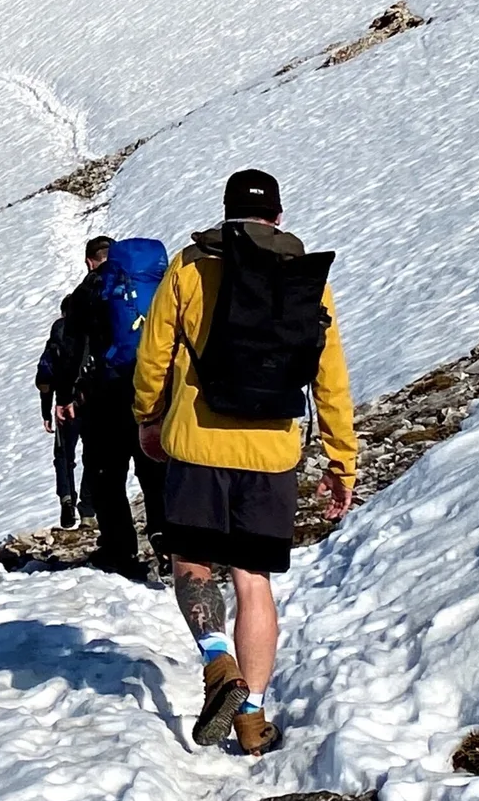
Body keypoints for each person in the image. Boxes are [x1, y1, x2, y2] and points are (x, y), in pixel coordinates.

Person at [132, 165, 355, 756]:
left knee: (194, 561)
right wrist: (341, 460)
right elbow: (329, 377)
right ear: (278, 217)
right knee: (253, 580)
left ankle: (216, 664)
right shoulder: (304, 279)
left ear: (225, 212)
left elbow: (153, 356)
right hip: (272, 450)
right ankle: (253, 716)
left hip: (198, 445)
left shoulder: (188, 265)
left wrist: (148, 418)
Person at [49, 232, 170, 578]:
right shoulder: (157, 285)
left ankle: (119, 551)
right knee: (155, 471)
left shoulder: (87, 292)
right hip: (154, 391)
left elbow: (69, 349)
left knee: (107, 476)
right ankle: (166, 540)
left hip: (105, 398)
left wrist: (64, 396)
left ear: (90, 260)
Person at [36, 242, 105, 525]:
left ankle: (66, 496)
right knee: (93, 453)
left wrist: (47, 409)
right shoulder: (94, 324)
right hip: (92, 398)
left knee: (64, 455)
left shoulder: (59, 331)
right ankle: (87, 507)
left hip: (65, 401)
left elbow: (45, 374)